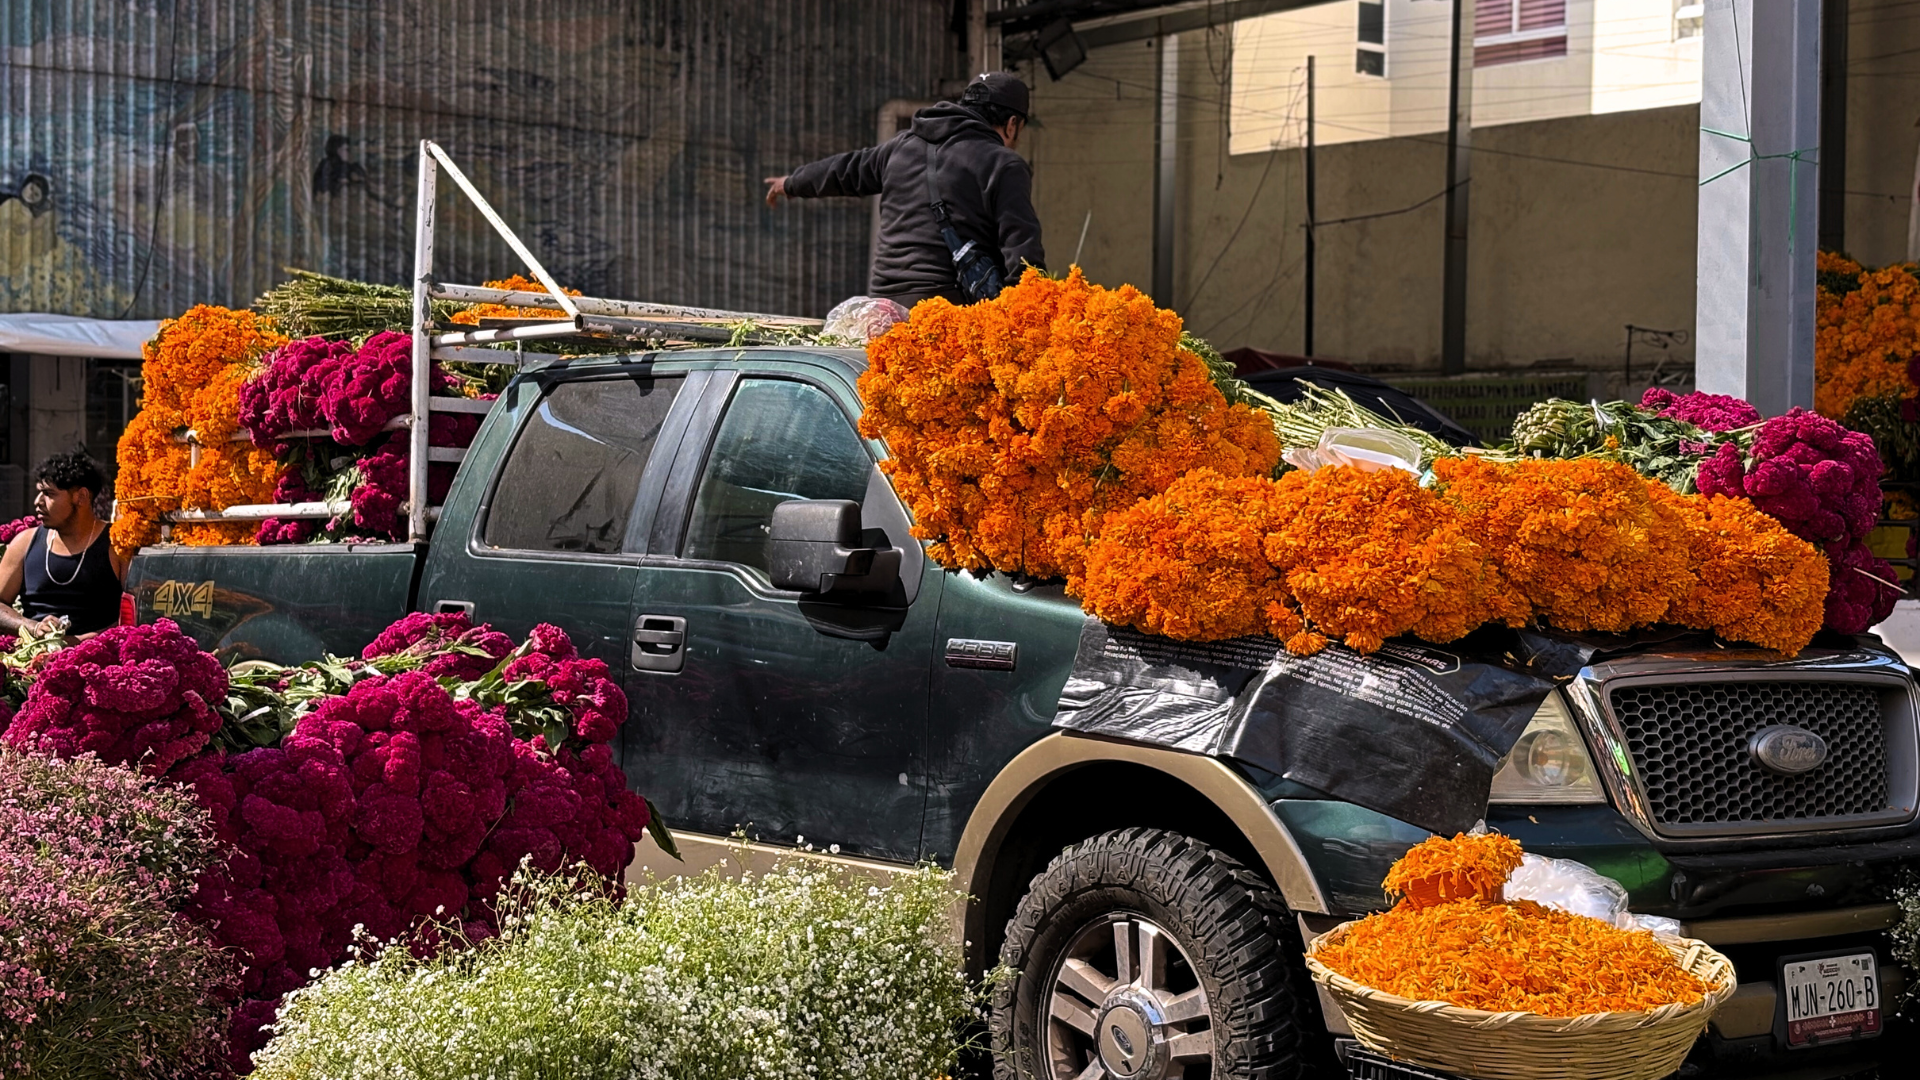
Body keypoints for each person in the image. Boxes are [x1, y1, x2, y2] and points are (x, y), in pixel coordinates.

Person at [763, 72, 1045, 307]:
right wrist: (1030, 315)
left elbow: (844, 170)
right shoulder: (1004, 163)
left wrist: (791, 182)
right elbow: (1022, 251)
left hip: (884, 303)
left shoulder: (901, 147)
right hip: (949, 311)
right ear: (1012, 124)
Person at [0, 452, 127, 638]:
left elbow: (135, 614)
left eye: (49, 494)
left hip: (98, 659)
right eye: (39, 492)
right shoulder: (24, 543)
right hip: (32, 657)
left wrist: (80, 643)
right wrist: (32, 627)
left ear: (81, 497)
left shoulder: (117, 546)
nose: (38, 502)